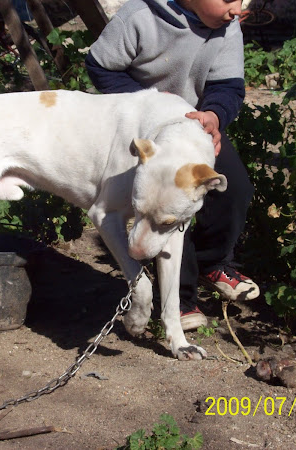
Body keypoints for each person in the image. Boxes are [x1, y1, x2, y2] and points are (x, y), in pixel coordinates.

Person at [85, 0, 260, 331]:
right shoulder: (139, 16)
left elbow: (229, 87)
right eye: (227, 0)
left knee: (234, 188)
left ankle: (213, 263)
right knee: (167, 210)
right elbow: (100, 66)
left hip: (190, 128)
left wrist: (214, 117)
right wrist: (150, 103)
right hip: (143, 132)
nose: (236, 9)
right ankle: (179, 301)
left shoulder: (228, 27)